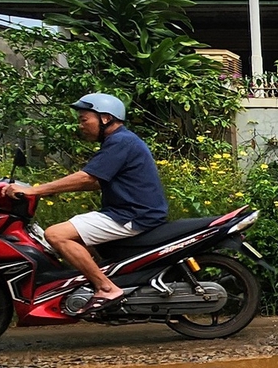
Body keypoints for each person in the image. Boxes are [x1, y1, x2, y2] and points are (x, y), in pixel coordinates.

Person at [12, 92, 167, 313]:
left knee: (56, 234)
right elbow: (95, 181)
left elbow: (87, 177)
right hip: (127, 212)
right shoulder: (120, 141)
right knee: (74, 234)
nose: (80, 125)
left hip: (131, 214)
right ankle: (97, 281)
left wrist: (34, 191)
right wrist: (51, 190)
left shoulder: (120, 141)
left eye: (84, 119)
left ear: (105, 118)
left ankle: (106, 288)